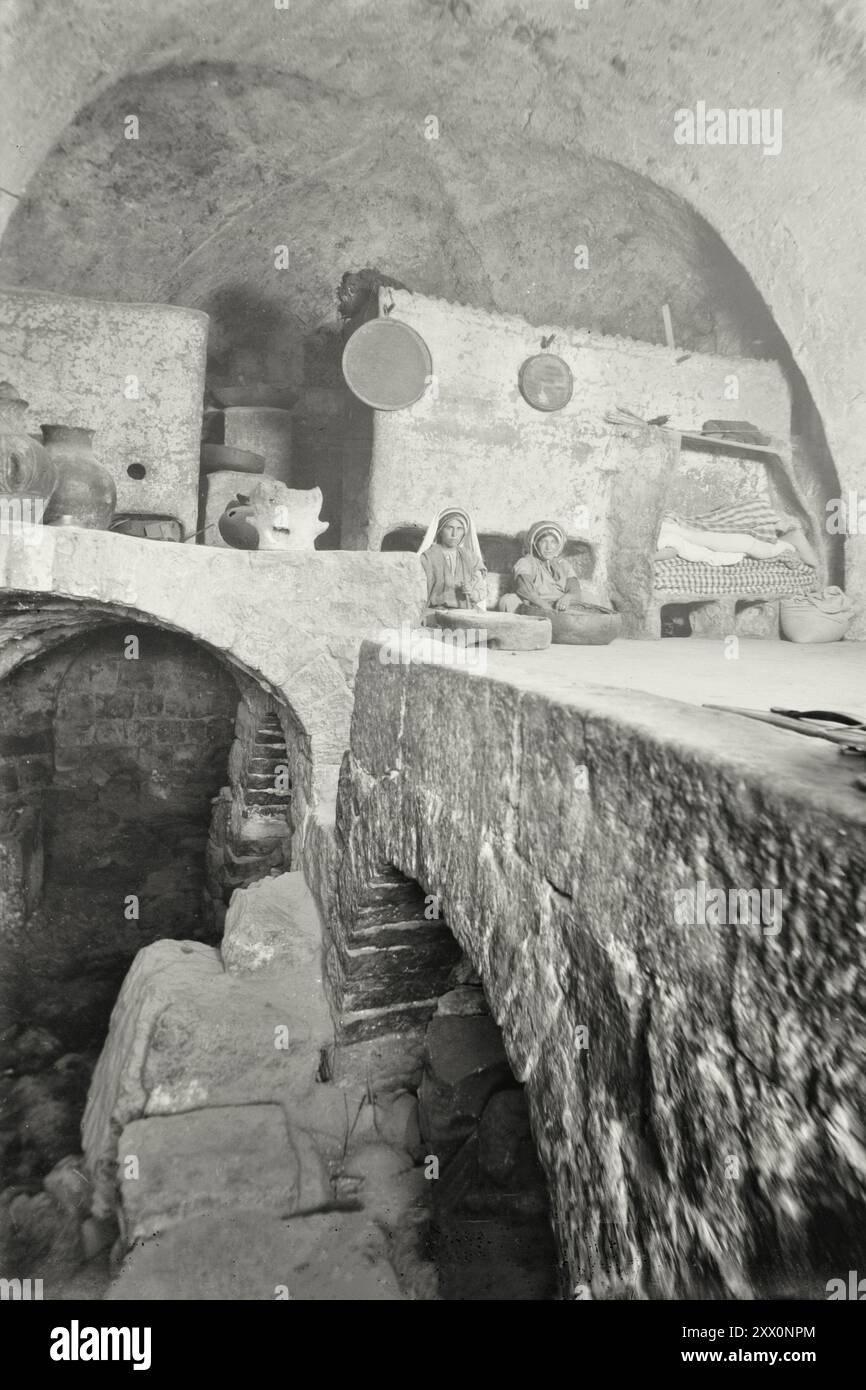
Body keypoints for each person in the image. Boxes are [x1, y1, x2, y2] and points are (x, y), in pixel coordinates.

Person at [504, 519, 612, 616]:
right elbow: (525, 590)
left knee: (590, 598)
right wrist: (546, 608)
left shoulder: (563, 564)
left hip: (561, 605)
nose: (548, 547)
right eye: (543, 541)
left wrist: (568, 597)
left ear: (558, 545)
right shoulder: (526, 562)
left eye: (553, 542)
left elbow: (574, 589)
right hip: (537, 605)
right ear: (535, 544)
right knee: (508, 601)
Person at [417, 506, 488, 613]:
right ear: (440, 530)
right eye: (449, 528)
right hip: (435, 613)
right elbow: (418, 592)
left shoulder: (470, 557)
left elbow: (481, 590)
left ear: (464, 532)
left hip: (465, 613)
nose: (454, 534)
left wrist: (472, 593)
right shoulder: (428, 557)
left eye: (459, 529)